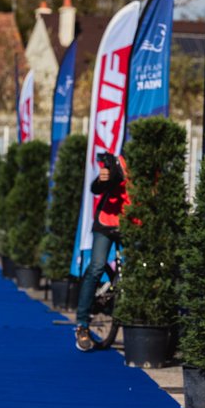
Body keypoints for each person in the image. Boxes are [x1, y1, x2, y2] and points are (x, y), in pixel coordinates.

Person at [73, 150, 129, 352]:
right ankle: (82, 325)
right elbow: (99, 185)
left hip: (133, 223)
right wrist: (104, 178)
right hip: (107, 222)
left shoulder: (152, 167)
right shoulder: (117, 162)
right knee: (96, 266)